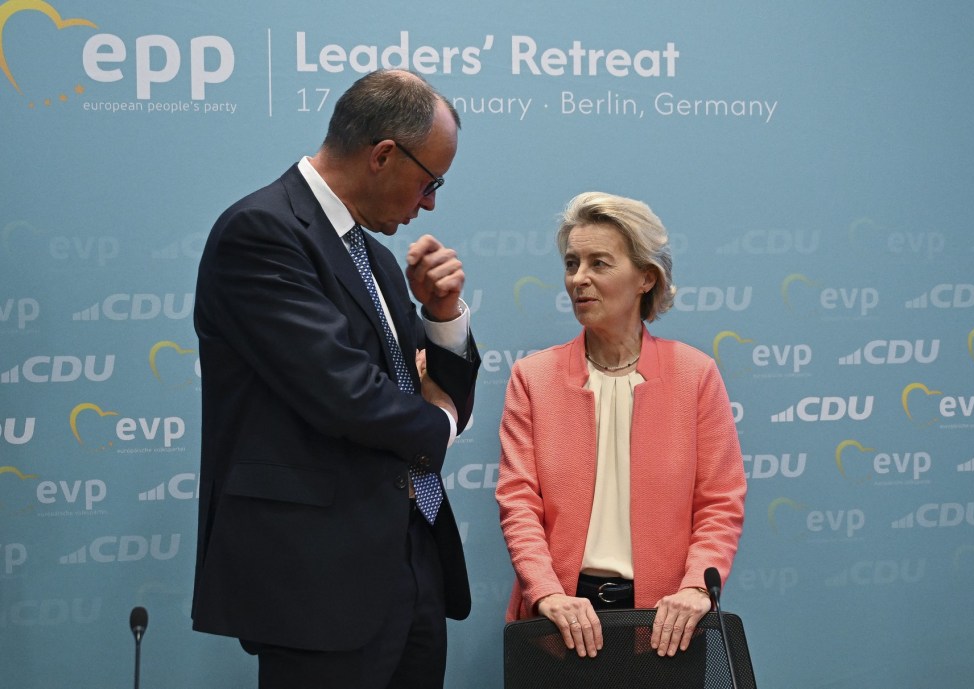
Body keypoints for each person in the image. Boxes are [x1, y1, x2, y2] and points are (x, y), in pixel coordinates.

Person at [191, 69, 480, 689]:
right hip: (317, 580)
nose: (430, 203)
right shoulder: (262, 232)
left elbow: (433, 391)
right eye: (429, 182)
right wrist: (439, 419)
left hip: (413, 561)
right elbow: (349, 397)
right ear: (383, 155)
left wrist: (443, 316)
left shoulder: (376, 258)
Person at [495, 191, 746, 660]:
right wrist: (546, 594)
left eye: (599, 263)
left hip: (667, 629)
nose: (579, 279)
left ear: (646, 278)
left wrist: (696, 588)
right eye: (572, 264)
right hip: (558, 626)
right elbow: (518, 502)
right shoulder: (533, 377)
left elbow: (719, 502)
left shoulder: (695, 375)